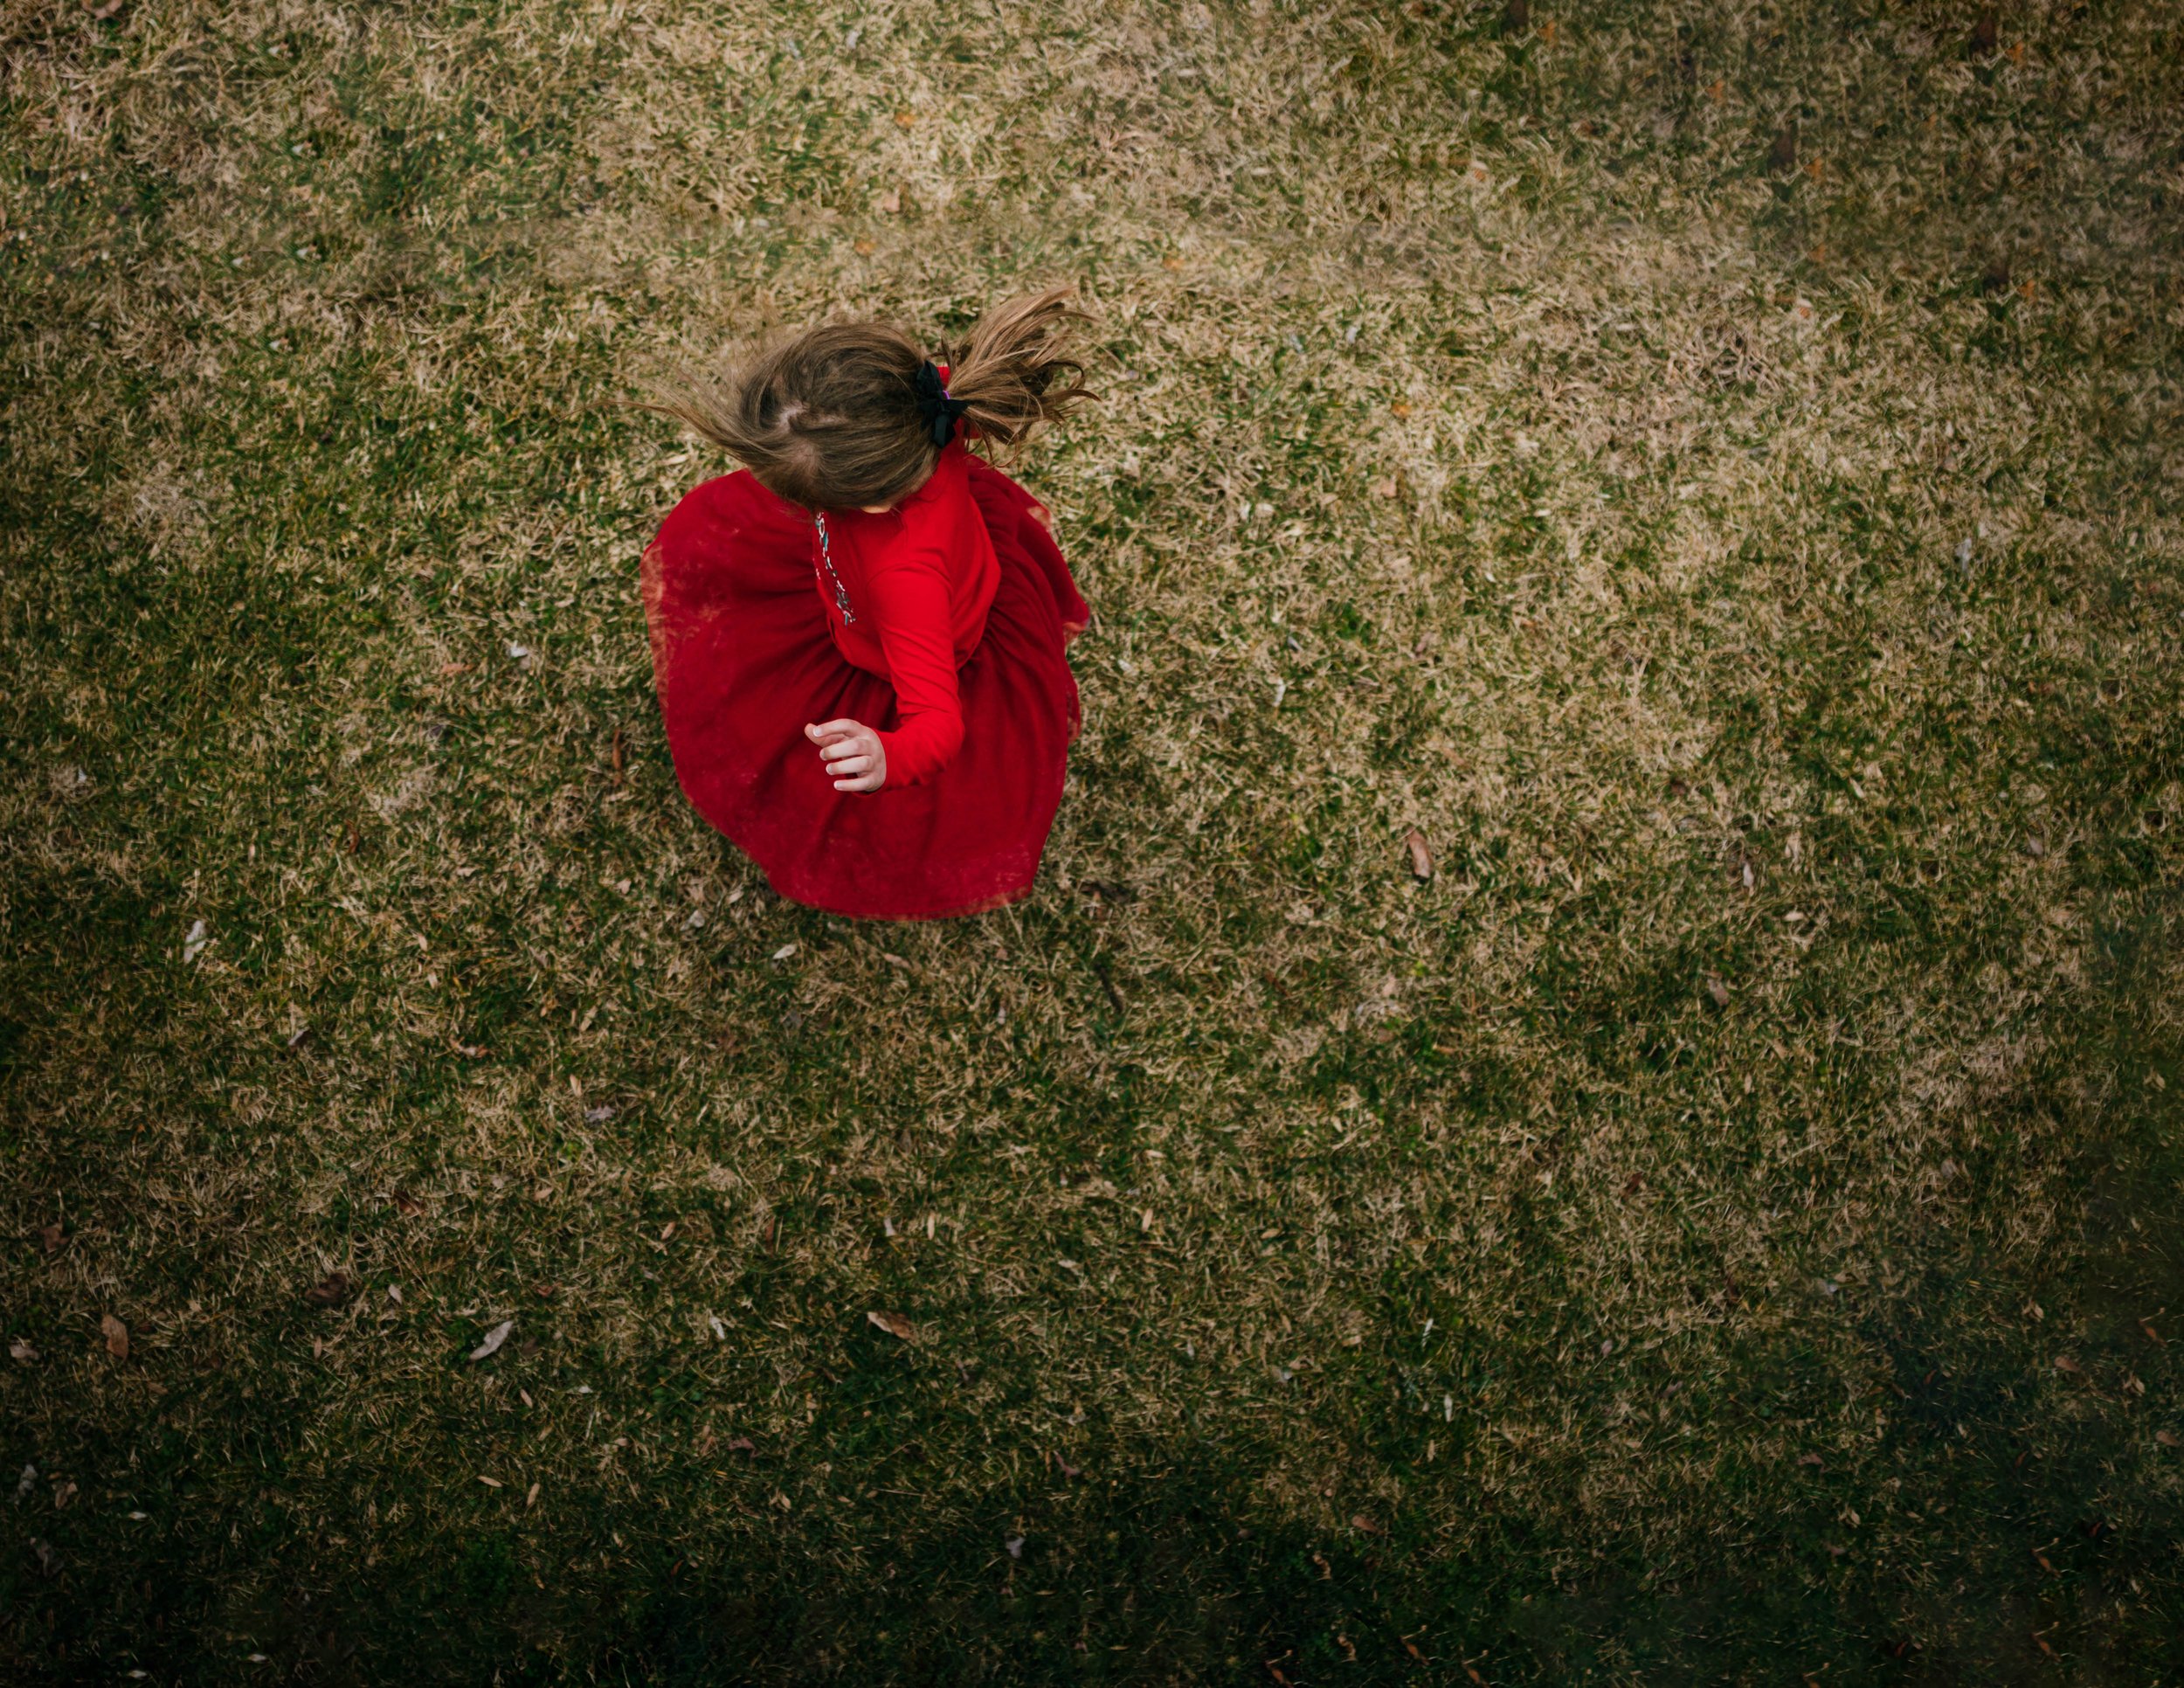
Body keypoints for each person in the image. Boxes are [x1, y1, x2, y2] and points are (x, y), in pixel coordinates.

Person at [641, 288, 1097, 920]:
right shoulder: (923, 405)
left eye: (805, 500)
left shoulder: (903, 579)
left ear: (874, 503)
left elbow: (938, 723)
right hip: (926, 576)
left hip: (901, 638)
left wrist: (891, 754)